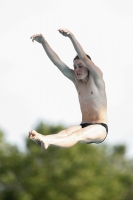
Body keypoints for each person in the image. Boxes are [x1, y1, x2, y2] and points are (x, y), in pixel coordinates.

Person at [29, 28, 108, 149]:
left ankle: (47, 140)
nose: (77, 70)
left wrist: (71, 36)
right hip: (84, 124)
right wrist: (44, 43)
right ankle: (42, 138)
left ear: (88, 66)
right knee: (65, 133)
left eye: (80, 66)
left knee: (76, 135)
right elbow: (58, 62)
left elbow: (84, 57)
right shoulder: (76, 80)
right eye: (75, 67)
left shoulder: (96, 77)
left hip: (99, 127)